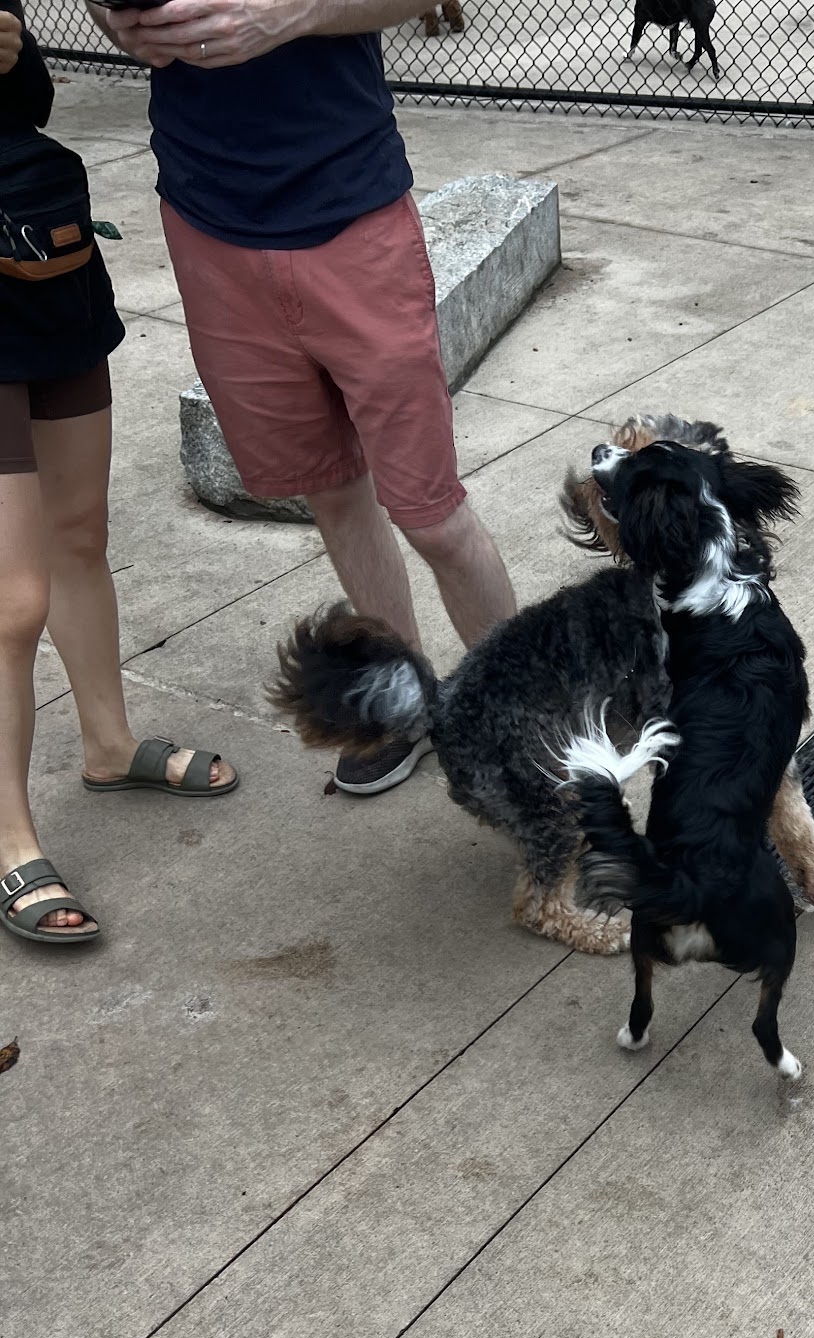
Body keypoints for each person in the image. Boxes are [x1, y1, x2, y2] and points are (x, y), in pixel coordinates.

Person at [89, 0, 518, 796]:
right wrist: (125, 22)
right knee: (331, 489)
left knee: (432, 515)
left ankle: (529, 725)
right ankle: (400, 707)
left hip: (350, 211)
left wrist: (290, 14)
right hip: (209, 219)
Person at [1, 0, 236, 947]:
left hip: (41, 256)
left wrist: (13, 56)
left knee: (80, 533)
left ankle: (107, 742)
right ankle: (8, 836)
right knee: (14, 596)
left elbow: (30, 103)